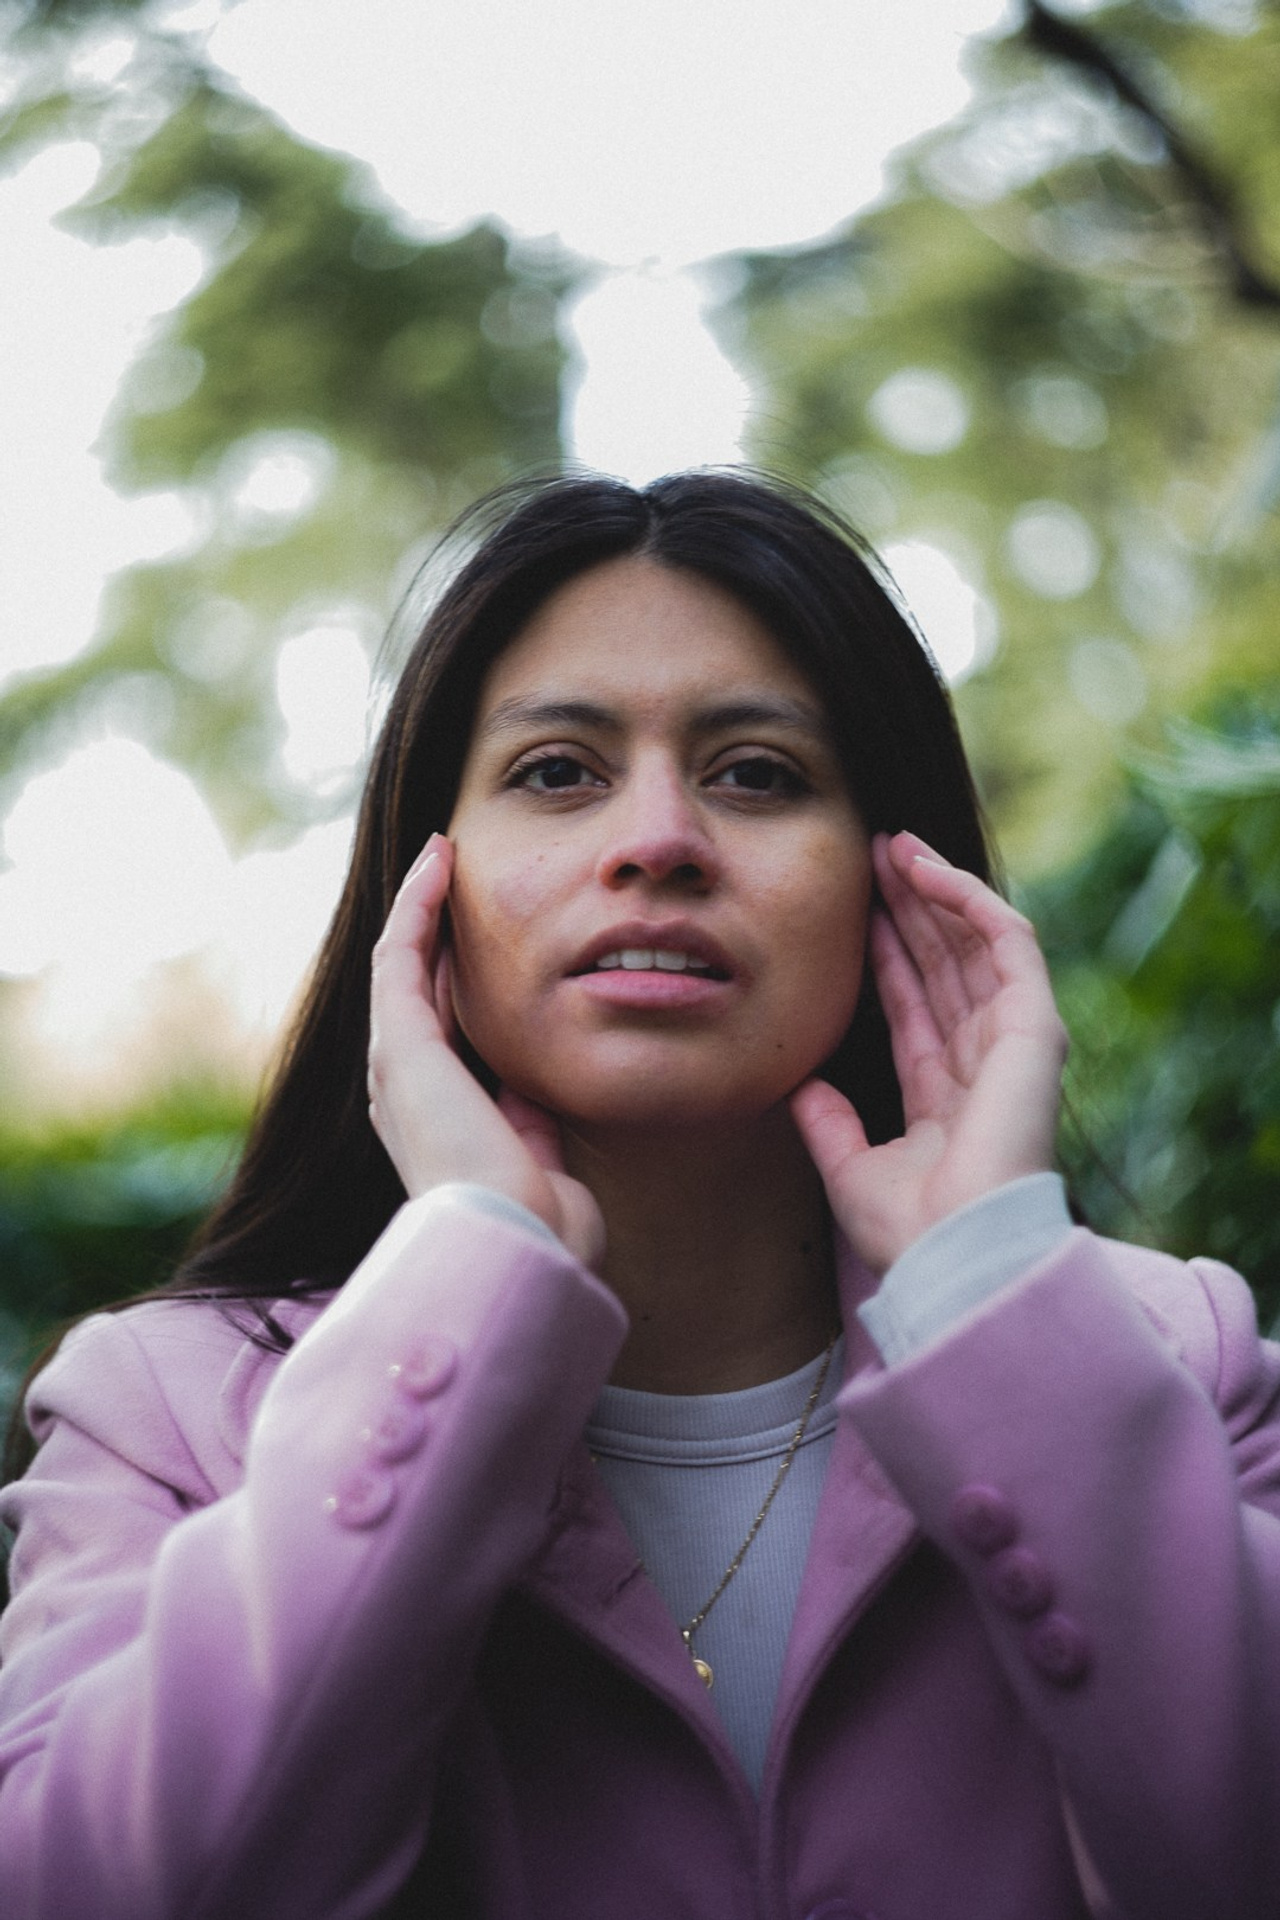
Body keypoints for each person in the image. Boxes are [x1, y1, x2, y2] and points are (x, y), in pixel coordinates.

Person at [1, 470, 1278, 1920]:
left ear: (894, 879)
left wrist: (988, 1285)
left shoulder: (1180, 1360)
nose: (659, 838)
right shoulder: (158, 1414)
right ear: (423, 889)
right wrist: (474, 1274)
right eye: (556, 771)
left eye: (757, 774)